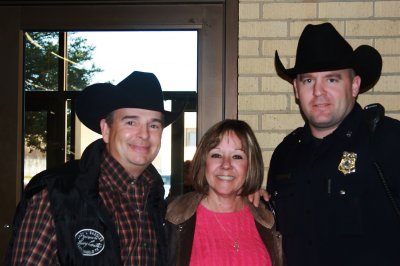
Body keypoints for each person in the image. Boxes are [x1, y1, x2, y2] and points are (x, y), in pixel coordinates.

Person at [5, 71, 182, 265]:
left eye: (154, 125)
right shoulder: (57, 194)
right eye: (131, 122)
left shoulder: (154, 198)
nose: (144, 134)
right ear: (106, 130)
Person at [267, 22, 400, 266]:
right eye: (308, 81)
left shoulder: (390, 141)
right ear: (296, 89)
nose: (318, 92)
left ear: (355, 85)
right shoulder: (285, 154)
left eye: (332, 80)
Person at [166, 119, 284, 266]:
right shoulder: (173, 217)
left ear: (250, 165)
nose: (226, 164)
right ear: (204, 162)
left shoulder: (268, 218)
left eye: (237, 156)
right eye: (216, 155)